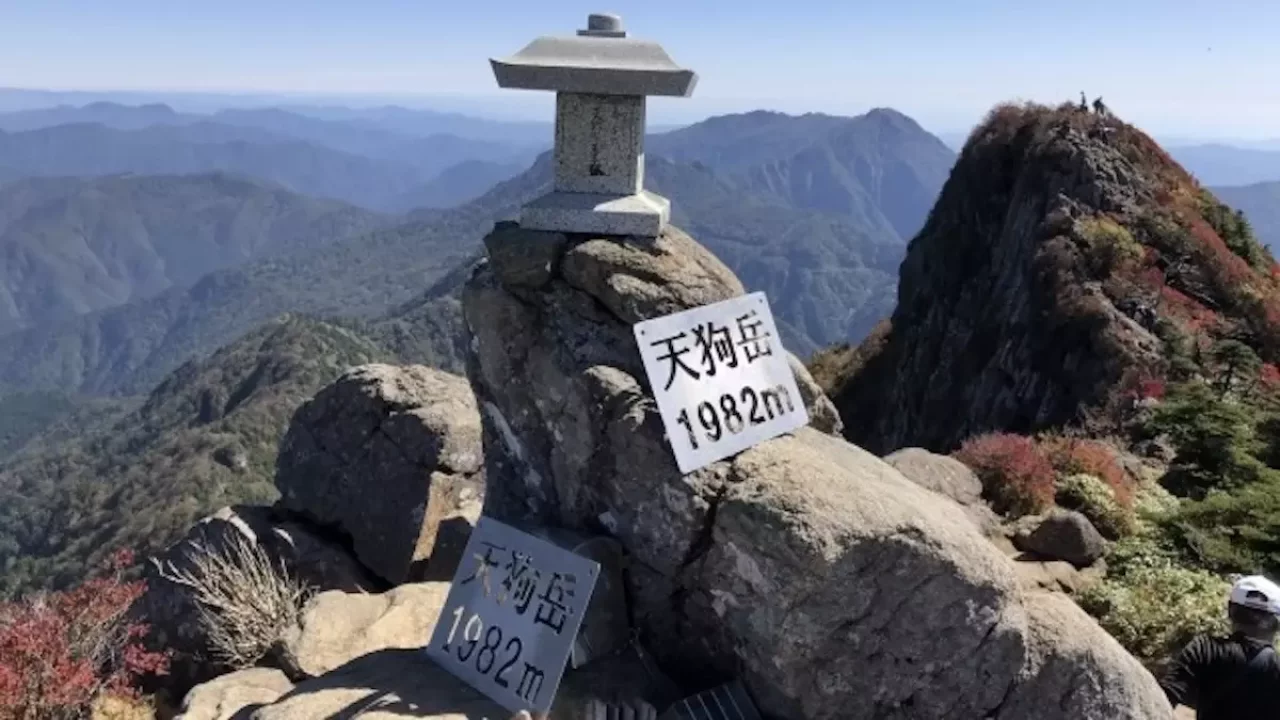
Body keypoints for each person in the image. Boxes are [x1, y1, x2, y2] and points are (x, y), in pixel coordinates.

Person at [1160, 575, 1280, 717]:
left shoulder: (1202, 649)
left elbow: (1164, 698)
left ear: (1230, 610)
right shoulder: (1276, 665)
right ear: (1276, 622)